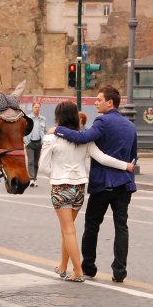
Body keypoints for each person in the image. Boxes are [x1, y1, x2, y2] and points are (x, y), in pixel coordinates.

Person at [40, 101, 135, 282]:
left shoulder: (51, 138)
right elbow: (103, 158)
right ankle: (62, 265)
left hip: (61, 187)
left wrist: (58, 175)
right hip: (79, 189)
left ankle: (77, 271)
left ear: (58, 117)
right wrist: (126, 166)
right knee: (67, 229)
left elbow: (43, 167)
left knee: (68, 231)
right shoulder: (85, 139)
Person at [24, 101, 47, 187]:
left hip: (39, 143)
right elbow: (24, 130)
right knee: (30, 161)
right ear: (32, 108)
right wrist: (26, 140)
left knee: (36, 163)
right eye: (35, 107)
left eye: (38, 107)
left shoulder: (43, 119)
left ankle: (34, 179)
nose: (37, 109)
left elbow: (45, 130)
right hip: (29, 142)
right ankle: (31, 179)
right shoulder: (28, 118)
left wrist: (43, 140)